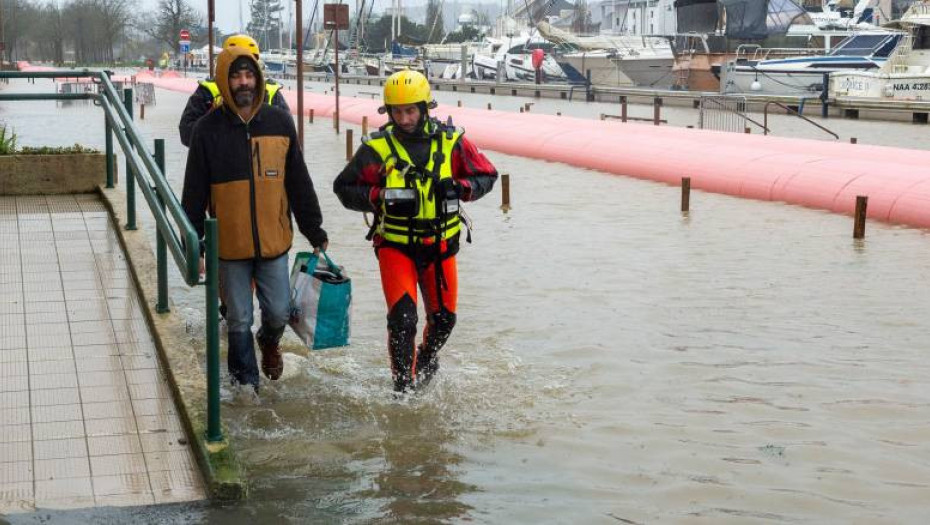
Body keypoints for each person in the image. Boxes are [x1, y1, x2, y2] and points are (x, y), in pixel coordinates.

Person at [333, 70, 497, 393]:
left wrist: (460, 187)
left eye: (411, 111)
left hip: (440, 246)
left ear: (425, 108)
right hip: (396, 246)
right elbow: (344, 187)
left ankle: (425, 361)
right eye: (397, 112)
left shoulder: (453, 143)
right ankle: (403, 390)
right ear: (389, 112)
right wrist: (376, 196)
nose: (405, 119)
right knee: (404, 321)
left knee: (444, 322)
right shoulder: (376, 149)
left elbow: (487, 175)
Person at [181, 46, 328, 392]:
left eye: (249, 76)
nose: (243, 83)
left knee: (278, 312)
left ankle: (269, 341)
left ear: (258, 78)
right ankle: (246, 390)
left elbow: (298, 181)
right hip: (229, 247)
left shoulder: (279, 123)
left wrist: (314, 229)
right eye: (235, 76)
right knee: (238, 319)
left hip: (274, 242)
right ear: (224, 81)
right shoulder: (206, 130)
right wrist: (196, 244)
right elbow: (194, 194)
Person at [178, 34, 290, 148]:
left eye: (249, 69)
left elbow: (288, 135)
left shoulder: (271, 92)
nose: (243, 81)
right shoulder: (208, 91)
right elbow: (186, 133)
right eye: (236, 72)